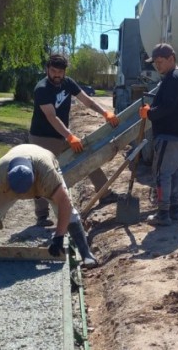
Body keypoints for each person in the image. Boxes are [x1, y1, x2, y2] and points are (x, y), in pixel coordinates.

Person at [0, 143, 99, 268]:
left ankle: (86, 253)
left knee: (70, 214)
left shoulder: (47, 174)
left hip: (42, 163)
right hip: (11, 184)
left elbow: (65, 204)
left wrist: (58, 237)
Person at [29, 53, 120, 227]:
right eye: (53, 71)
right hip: (42, 137)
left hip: (62, 134)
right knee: (42, 173)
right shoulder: (42, 88)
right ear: (47, 69)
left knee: (86, 157)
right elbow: (51, 117)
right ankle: (42, 216)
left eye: (60, 71)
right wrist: (69, 136)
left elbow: (87, 100)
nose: (57, 75)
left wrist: (105, 113)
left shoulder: (68, 83)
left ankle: (104, 194)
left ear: (64, 72)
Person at [140, 43, 178, 226]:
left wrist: (149, 113)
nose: (157, 66)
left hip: (169, 135)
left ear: (171, 59)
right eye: (155, 63)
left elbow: (167, 107)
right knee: (176, 173)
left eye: (160, 62)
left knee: (162, 175)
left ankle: (163, 213)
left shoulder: (172, 79)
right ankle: (175, 210)